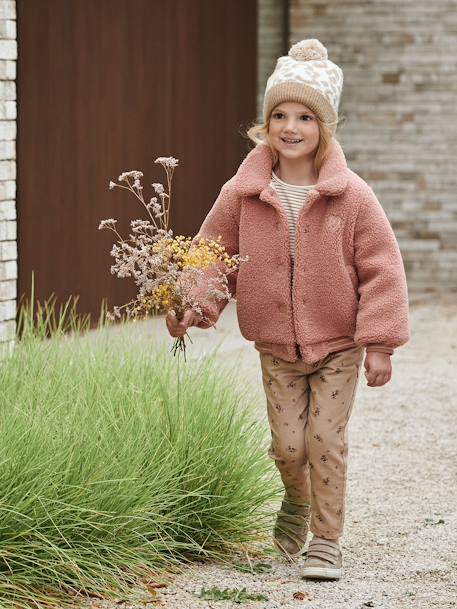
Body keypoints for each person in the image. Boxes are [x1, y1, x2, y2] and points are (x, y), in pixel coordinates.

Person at [166, 38, 410, 580]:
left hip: (338, 347)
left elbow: (383, 270)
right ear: (265, 123)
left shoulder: (352, 198)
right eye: (279, 114)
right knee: (287, 447)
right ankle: (296, 502)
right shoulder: (243, 192)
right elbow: (212, 254)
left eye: (305, 116)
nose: (291, 126)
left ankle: (326, 539)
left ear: (326, 127)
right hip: (276, 347)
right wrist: (190, 303)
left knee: (325, 441)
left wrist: (381, 342)